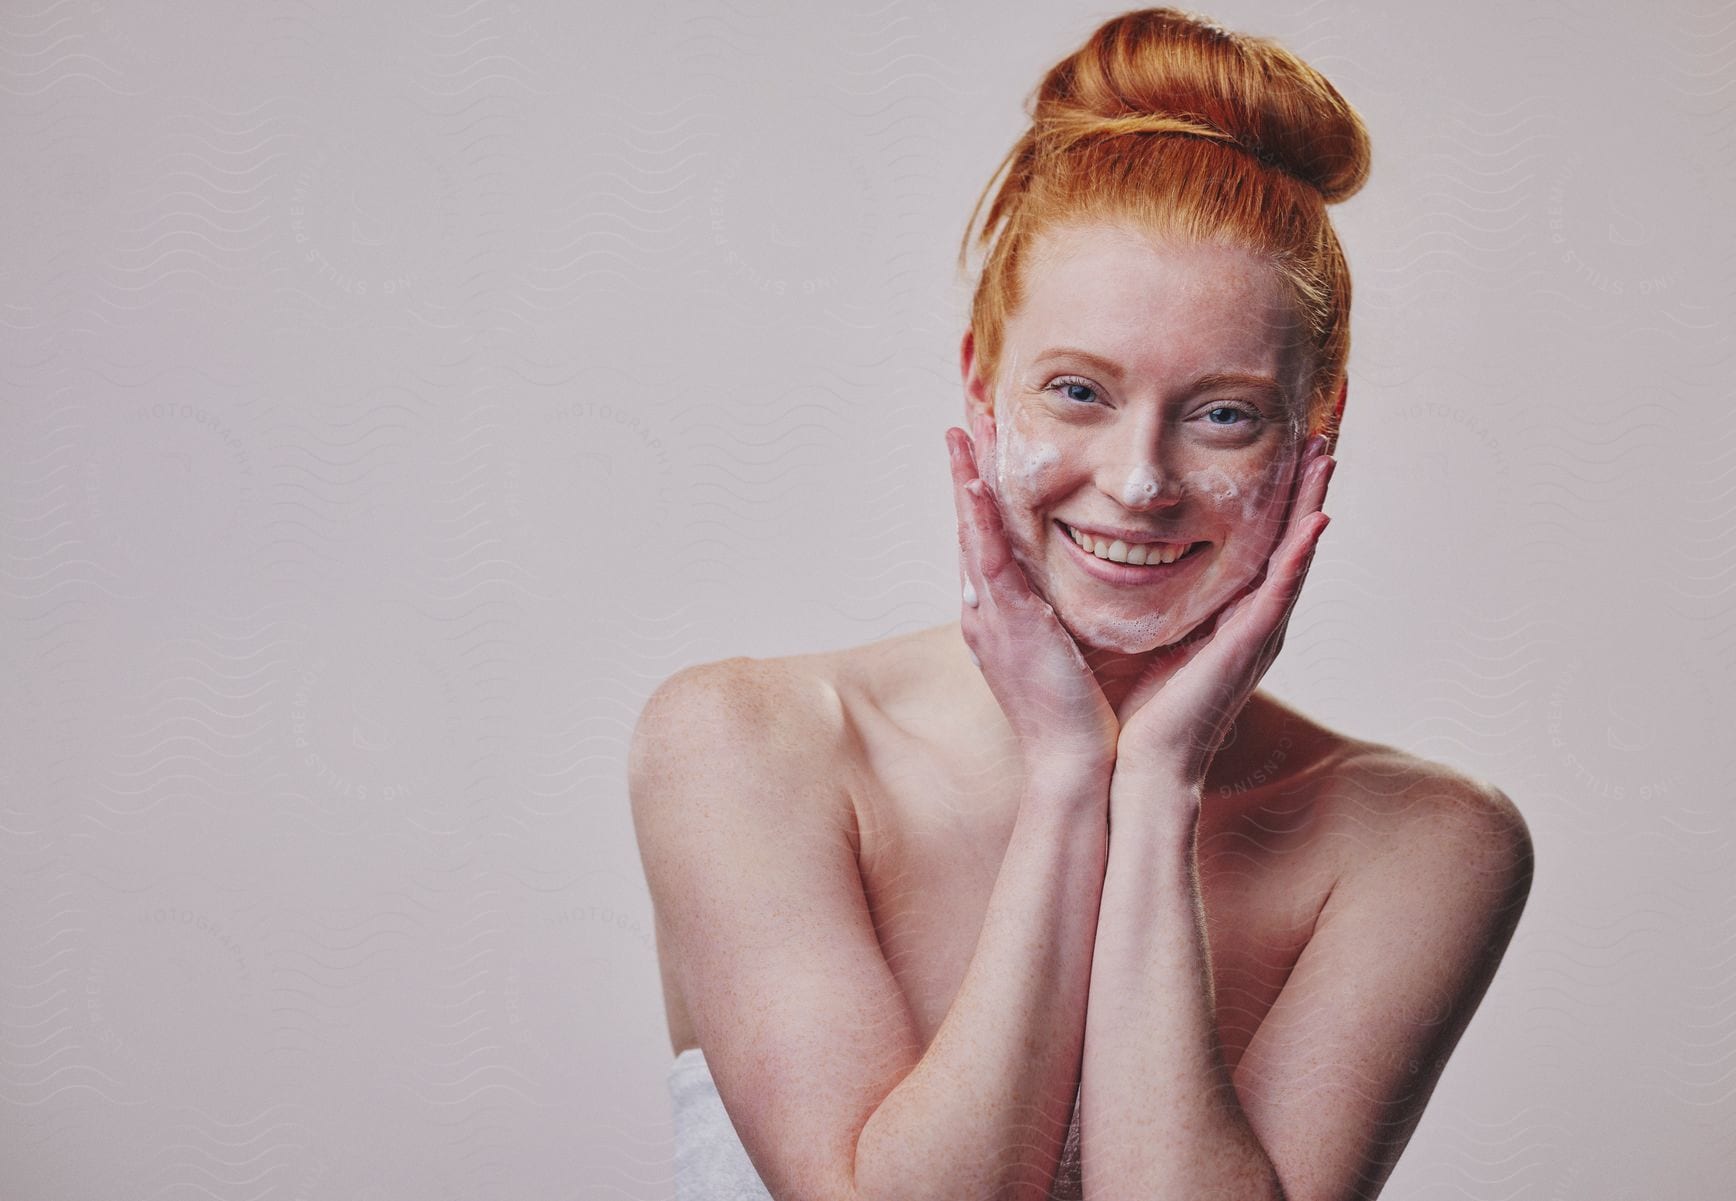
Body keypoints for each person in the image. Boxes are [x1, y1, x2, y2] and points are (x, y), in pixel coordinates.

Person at [630, 9, 1535, 1200]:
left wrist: (1153, 784)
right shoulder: (747, 747)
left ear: (1317, 434)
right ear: (982, 382)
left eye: (1224, 413)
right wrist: (1070, 775)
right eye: (1077, 391)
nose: (1141, 481)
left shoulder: (1421, 845)